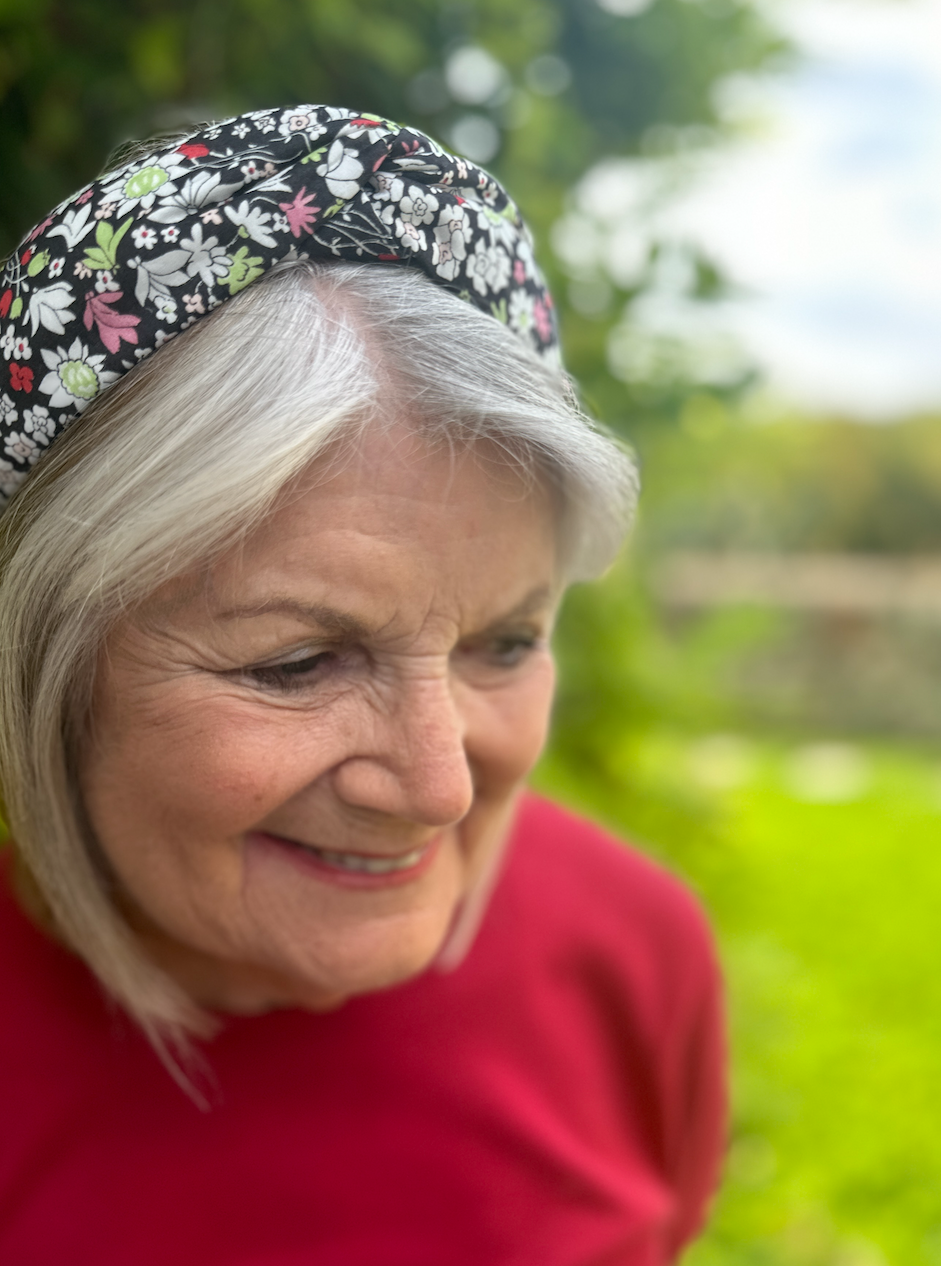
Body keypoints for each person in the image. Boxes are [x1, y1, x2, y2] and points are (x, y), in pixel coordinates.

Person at [0, 106, 726, 1265]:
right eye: (297, 664)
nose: (437, 787)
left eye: (505, 643)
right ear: (42, 665)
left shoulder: (630, 951)